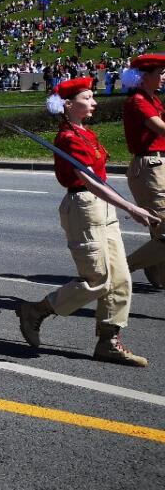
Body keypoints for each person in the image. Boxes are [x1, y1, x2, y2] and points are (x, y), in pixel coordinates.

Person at [17, 77, 159, 366]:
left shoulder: (86, 134)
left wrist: (120, 205)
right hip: (83, 207)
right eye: (87, 97)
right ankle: (37, 310)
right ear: (68, 105)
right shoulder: (68, 138)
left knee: (120, 279)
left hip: (103, 207)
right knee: (98, 279)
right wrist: (131, 207)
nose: (94, 102)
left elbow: (100, 179)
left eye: (93, 97)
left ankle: (109, 341)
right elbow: (89, 183)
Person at [121, 53, 165, 287]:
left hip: (158, 164)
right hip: (149, 167)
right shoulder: (138, 101)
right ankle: (122, 270)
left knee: (160, 229)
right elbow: (161, 129)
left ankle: (159, 276)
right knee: (163, 230)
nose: (164, 77)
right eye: (160, 73)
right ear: (143, 77)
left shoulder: (153, 99)